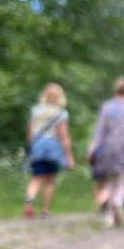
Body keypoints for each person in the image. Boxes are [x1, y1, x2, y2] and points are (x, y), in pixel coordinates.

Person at [88, 76, 124, 226]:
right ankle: (118, 203)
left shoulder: (107, 106)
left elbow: (100, 130)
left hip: (108, 149)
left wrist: (93, 148)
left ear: (116, 89)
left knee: (111, 181)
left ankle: (109, 214)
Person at [25, 83, 75, 218]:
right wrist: (69, 157)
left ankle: (30, 201)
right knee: (50, 180)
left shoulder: (36, 110)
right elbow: (64, 137)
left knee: (36, 178)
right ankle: (45, 211)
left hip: (37, 146)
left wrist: (30, 149)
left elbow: (30, 133)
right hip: (52, 147)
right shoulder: (61, 113)